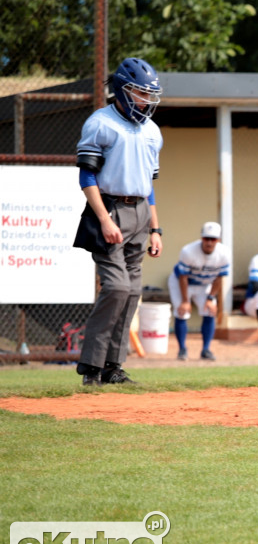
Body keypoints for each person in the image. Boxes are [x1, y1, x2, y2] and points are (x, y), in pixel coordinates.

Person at [73, 57, 164, 386]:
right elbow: (87, 177)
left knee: (132, 291)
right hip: (110, 209)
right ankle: (91, 367)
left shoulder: (152, 131)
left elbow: (149, 185)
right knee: (116, 287)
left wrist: (155, 228)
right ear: (123, 91)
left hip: (140, 212)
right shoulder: (101, 122)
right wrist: (104, 220)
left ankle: (113, 366)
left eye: (150, 94)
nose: (147, 100)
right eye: (141, 93)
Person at [169, 221, 230, 361]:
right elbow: (183, 277)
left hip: (204, 284)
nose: (209, 242)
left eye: (213, 239)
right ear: (201, 238)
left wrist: (210, 298)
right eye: (206, 238)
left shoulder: (224, 253)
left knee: (210, 311)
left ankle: (206, 350)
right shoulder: (188, 251)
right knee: (182, 312)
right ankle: (182, 349)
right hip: (182, 282)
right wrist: (185, 301)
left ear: (218, 240)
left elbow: (219, 279)